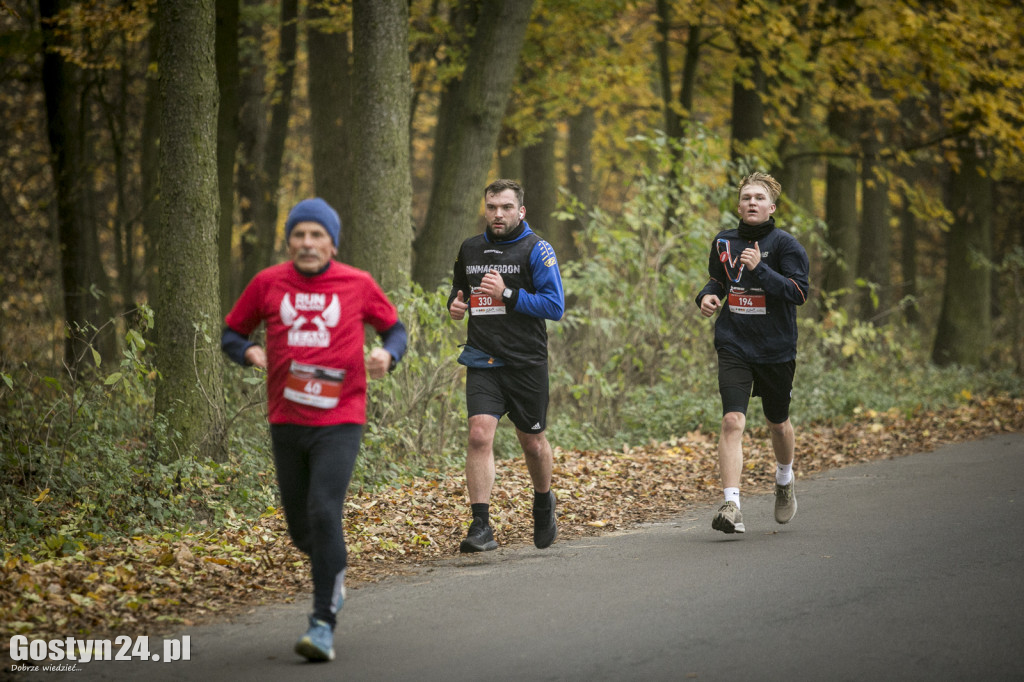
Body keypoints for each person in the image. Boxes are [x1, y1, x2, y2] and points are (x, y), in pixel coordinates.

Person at [221, 198, 407, 662]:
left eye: (316, 235)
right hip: (286, 420)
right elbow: (232, 333)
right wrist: (248, 353)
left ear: (331, 242)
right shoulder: (267, 283)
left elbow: (395, 329)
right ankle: (333, 568)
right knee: (302, 530)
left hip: (341, 417)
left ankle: (323, 620)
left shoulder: (357, 283)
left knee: (325, 512)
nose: (307, 243)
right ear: (290, 241)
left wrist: (389, 355)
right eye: (299, 234)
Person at [447, 179, 565, 553]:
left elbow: (554, 306)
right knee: (479, 434)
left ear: (521, 211)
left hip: (526, 362)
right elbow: (458, 290)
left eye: (506, 207)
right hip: (483, 359)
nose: (498, 214)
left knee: (532, 443)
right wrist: (455, 304)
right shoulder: (470, 248)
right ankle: (481, 524)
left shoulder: (537, 249)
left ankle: (544, 501)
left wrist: (508, 294)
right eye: (492, 207)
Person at [695, 172, 809, 534]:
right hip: (734, 343)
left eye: (759, 198)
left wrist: (762, 270)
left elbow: (799, 293)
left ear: (771, 207)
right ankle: (732, 504)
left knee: (778, 423)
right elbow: (718, 280)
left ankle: (784, 479)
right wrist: (707, 295)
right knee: (732, 421)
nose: (752, 203)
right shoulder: (724, 241)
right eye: (746, 197)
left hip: (776, 348)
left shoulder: (786, 245)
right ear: (739, 205)